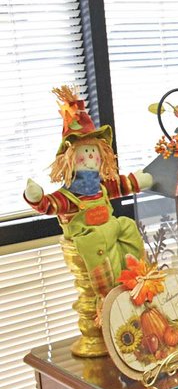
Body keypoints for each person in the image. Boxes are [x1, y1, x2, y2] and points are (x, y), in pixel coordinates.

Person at [24, 85, 152, 296]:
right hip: (89, 241)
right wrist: (35, 197)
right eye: (84, 152)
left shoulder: (101, 186)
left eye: (93, 151)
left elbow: (119, 185)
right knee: (95, 247)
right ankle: (108, 294)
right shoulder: (68, 197)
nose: (91, 156)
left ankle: (138, 277)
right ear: (69, 159)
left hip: (112, 232)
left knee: (127, 226)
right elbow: (49, 205)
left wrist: (136, 181)